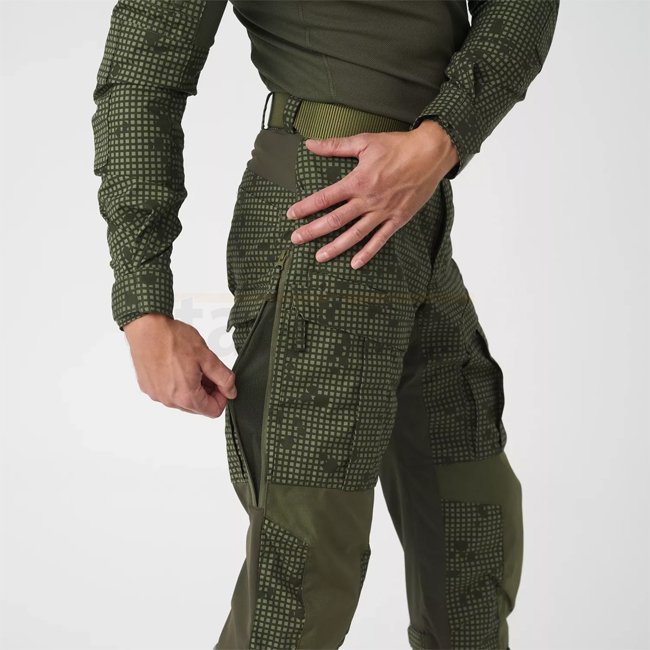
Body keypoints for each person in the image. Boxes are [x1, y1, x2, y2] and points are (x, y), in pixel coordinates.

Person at [91, 1, 560, 648]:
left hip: (415, 215)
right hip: (322, 218)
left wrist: (442, 137)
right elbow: (142, 73)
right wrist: (144, 304)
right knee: (305, 575)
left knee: (472, 533)